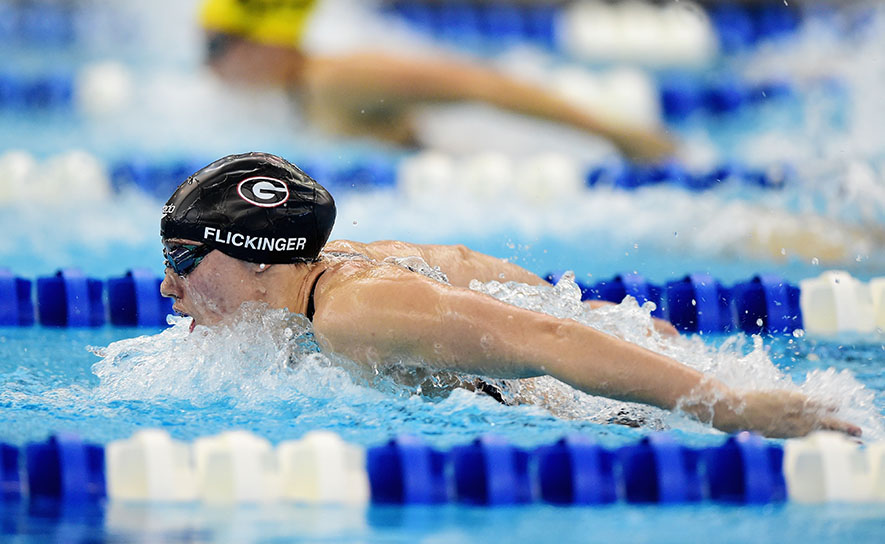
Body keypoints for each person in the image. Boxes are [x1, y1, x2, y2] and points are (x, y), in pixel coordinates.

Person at [159, 152, 861, 439]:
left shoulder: (353, 311)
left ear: (258, 257)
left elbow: (541, 343)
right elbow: (458, 262)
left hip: (601, 409)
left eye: (184, 259)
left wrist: (733, 406)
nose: (169, 287)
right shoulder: (336, 269)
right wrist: (593, 315)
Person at [198, 0, 675, 161]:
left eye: (216, 48)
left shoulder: (340, 79)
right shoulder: (289, 95)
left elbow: (480, 84)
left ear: (269, 41)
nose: (209, 67)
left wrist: (621, 136)